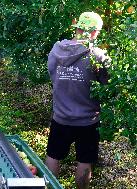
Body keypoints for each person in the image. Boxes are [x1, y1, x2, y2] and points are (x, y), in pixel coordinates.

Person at [45, 12, 110, 189]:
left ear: (77, 28)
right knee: (85, 160)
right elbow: (107, 85)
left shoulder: (56, 50)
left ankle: (51, 187)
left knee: (53, 155)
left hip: (61, 117)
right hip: (87, 120)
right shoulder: (97, 56)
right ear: (95, 32)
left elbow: (52, 75)